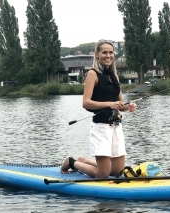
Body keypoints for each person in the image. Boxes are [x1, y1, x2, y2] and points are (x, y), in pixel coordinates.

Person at [61, 39, 137, 178]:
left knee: (116, 172)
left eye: (111, 52)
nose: (108, 56)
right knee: (103, 175)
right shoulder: (92, 74)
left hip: (116, 127)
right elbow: (86, 103)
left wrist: (129, 106)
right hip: (100, 128)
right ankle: (72, 162)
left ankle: (84, 161)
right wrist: (109, 104)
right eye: (104, 52)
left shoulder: (115, 77)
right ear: (97, 54)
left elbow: (121, 105)